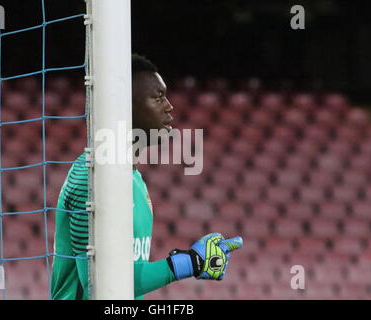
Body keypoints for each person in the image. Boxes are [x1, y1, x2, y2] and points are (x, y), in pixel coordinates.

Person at [50, 54, 243, 300]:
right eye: (158, 96)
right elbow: (99, 284)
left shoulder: (133, 179)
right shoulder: (89, 178)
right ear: (124, 106)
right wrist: (190, 262)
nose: (170, 106)